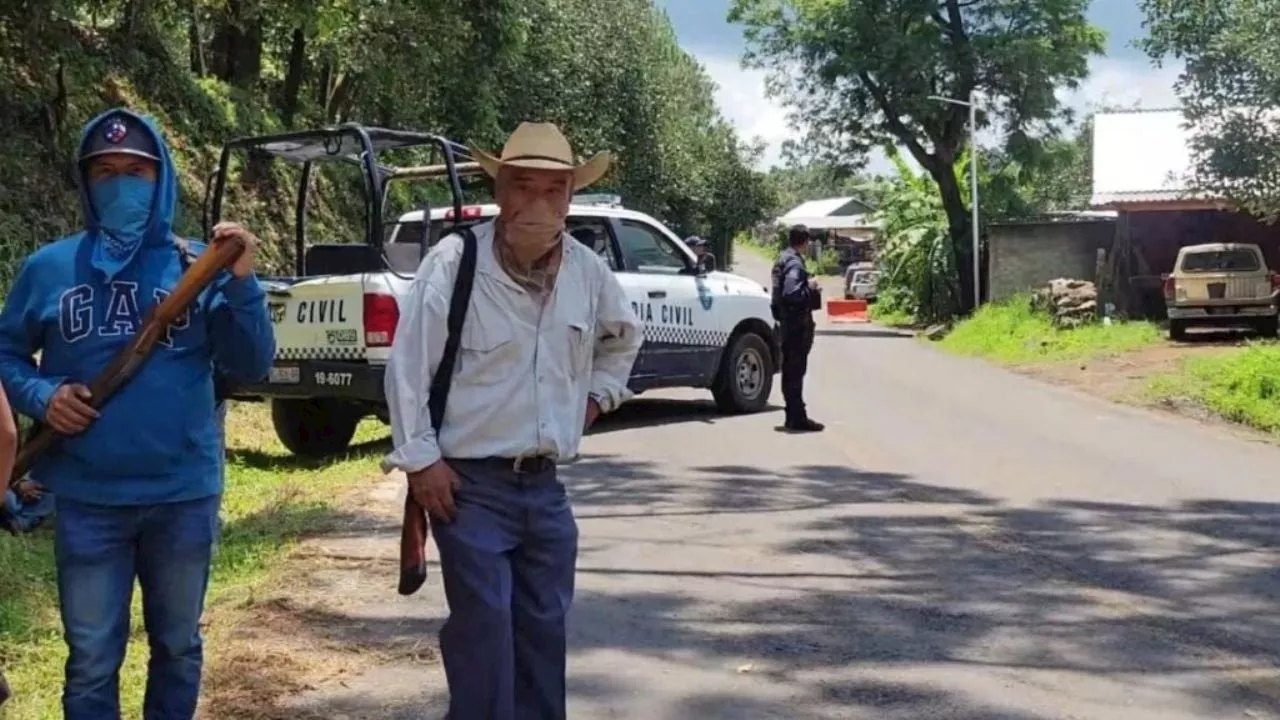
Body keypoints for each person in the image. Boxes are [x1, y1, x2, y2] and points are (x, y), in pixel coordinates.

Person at [0, 108, 275, 719]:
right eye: (105, 172)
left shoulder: (200, 266)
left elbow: (251, 362)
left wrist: (243, 282)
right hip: (89, 501)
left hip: (182, 493)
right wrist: (43, 396)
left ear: (164, 180)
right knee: (92, 656)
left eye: (136, 171)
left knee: (177, 646)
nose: (121, 183)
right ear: (85, 182)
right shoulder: (49, 267)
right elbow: (7, 352)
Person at [383, 121, 643, 720]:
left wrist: (596, 399)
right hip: (469, 489)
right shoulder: (456, 260)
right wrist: (421, 462)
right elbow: (407, 367)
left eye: (554, 190)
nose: (537, 204)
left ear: (571, 199)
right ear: (499, 190)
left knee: (544, 636)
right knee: (485, 634)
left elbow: (623, 340)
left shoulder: (586, 270)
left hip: (545, 491)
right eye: (523, 187)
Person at [771, 225, 824, 432]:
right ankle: (796, 417)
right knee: (795, 371)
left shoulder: (782, 259)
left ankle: (793, 415)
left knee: (790, 372)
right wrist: (810, 287)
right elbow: (791, 293)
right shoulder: (794, 263)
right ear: (806, 242)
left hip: (785, 323)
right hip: (796, 325)